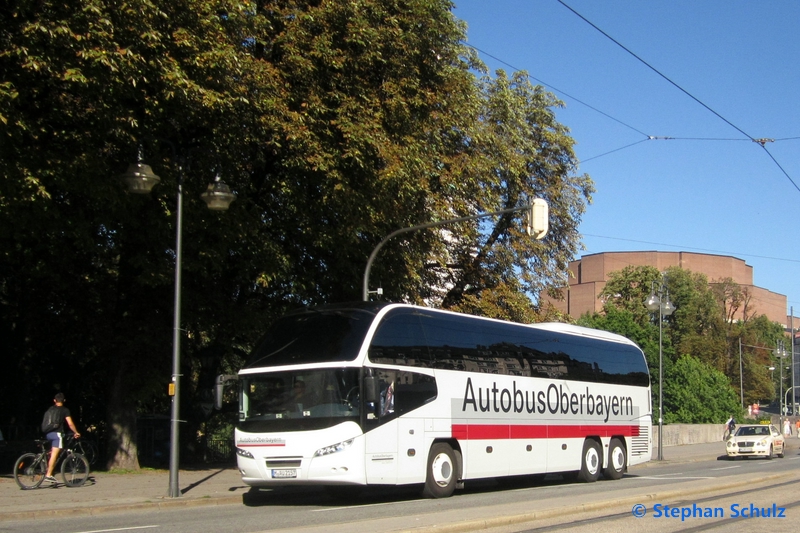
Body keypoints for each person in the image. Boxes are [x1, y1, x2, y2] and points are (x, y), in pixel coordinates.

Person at [43, 393, 80, 484]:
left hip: (48, 433)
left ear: (54, 400)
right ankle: (48, 475)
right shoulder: (65, 410)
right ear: (64, 401)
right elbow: (70, 424)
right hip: (57, 435)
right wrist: (76, 432)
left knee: (54, 451)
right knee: (55, 454)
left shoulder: (50, 409)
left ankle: (46, 461)